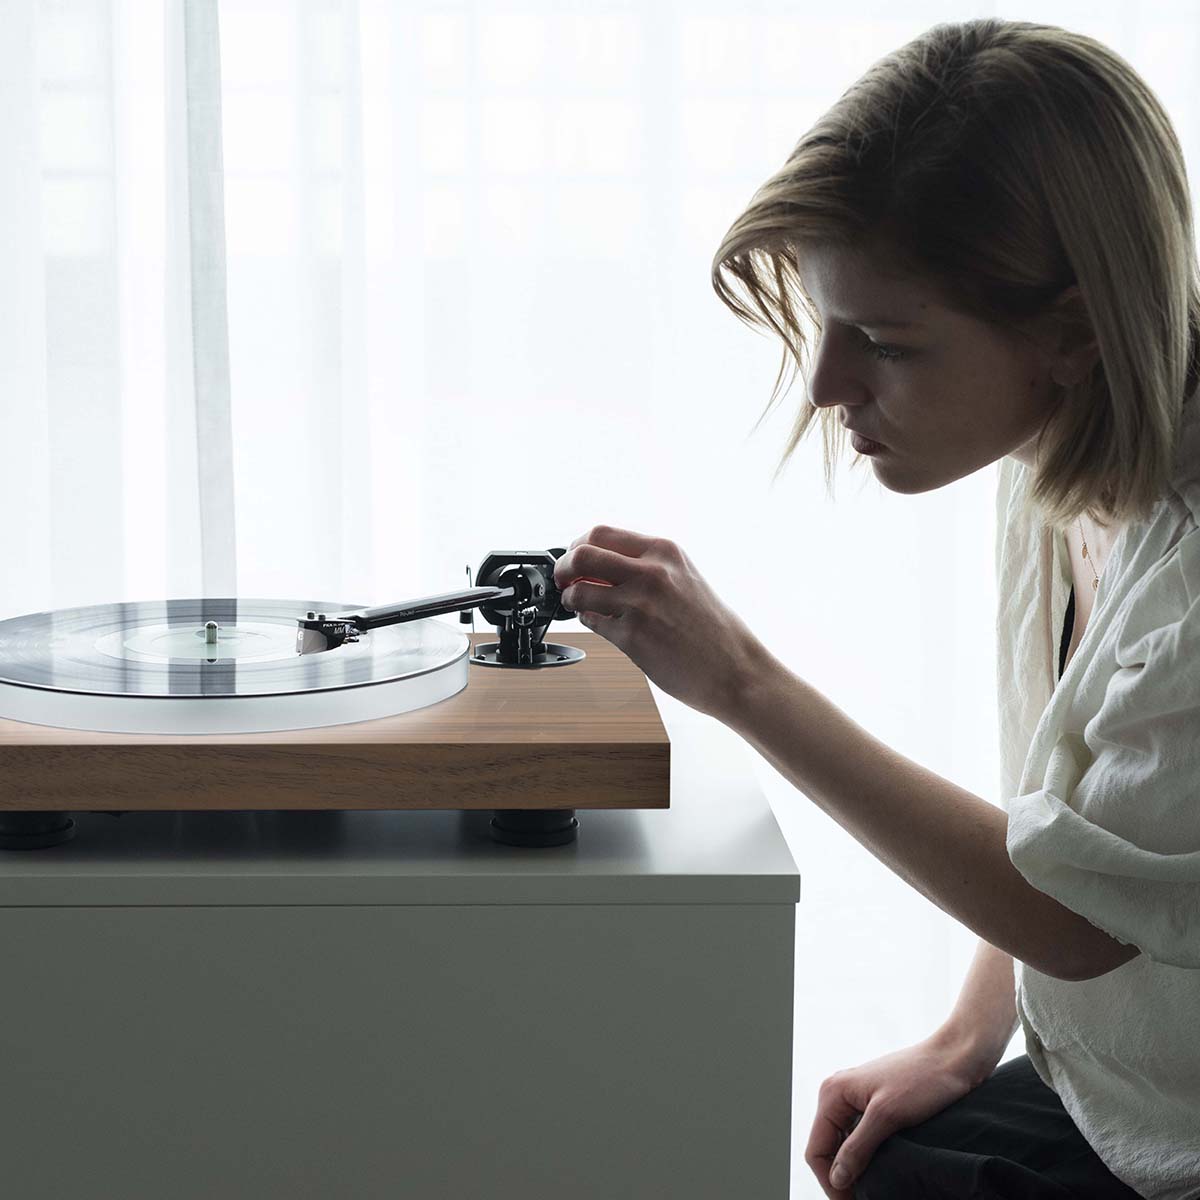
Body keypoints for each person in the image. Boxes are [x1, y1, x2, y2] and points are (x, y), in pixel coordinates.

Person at [552, 18, 1200, 1200]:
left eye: (885, 344)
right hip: (1127, 1086)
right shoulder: (1060, 456)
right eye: (828, 322)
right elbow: (1073, 834)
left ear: (1069, 333)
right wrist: (962, 1040)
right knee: (880, 1160)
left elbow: (1079, 921)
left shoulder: (1189, 574)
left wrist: (741, 681)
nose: (826, 385)